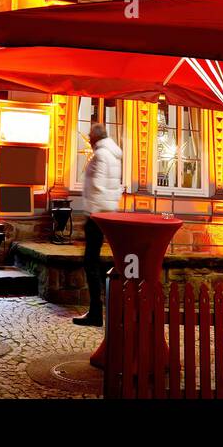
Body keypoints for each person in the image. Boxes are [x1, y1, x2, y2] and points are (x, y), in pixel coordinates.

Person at [73, 122, 123, 327]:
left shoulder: (101, 155)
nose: (89, 141)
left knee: (90, 263)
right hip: (105, 214)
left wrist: (91, 214)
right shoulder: (112, 154)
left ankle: (96, 312)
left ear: (95, 138)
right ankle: (106, 305)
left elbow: (98, 186)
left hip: (97, 215)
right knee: (96, 263)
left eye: (90, 137)